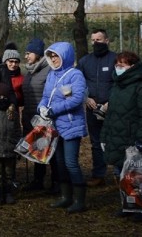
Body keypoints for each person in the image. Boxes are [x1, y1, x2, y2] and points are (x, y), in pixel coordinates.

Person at [101, 50, 142, 222]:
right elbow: (110, 114)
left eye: (122, 65)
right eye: (116, 65)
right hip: (117, 137)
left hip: (133, 138)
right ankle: (128, 204)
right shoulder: (117, 86)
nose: (118, 68)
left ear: (132, 67)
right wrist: (104, 135)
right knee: (121, 173)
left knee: (139, 175)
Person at [38, 42, 88, 214]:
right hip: (54, 126)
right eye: (51, 56)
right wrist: (42, 108)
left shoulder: (75, 75)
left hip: (71, 124)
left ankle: (79, 200)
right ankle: (65, 197)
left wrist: (54, 110)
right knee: (59, 163)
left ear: (64, 56)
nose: (54, 59)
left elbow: (76, 99)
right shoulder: (52, 74)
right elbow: (46, 96)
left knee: (71, 163)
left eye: (56, 56)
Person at [76, 28, 116, 187]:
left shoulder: (116, 59)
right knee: (96, 143)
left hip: (112, 108)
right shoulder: (85, 61)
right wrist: (86, 98)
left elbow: (119, 83)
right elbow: (78, 82)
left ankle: (120, 174)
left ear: (107, 41)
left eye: (98, 40)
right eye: (93, 40)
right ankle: (98, 174)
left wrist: (111, 101)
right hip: (92, 109)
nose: (95, 43)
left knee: (116, 141)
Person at [20, 37, 55, 192]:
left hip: (45, 119)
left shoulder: (49, 71)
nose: (26, 56)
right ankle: (38, 180)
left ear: (38, 54)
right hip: (31, 117)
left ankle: (56, 182)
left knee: (50, 151)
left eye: (29, 53)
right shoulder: (30, 71)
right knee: (37, 150)